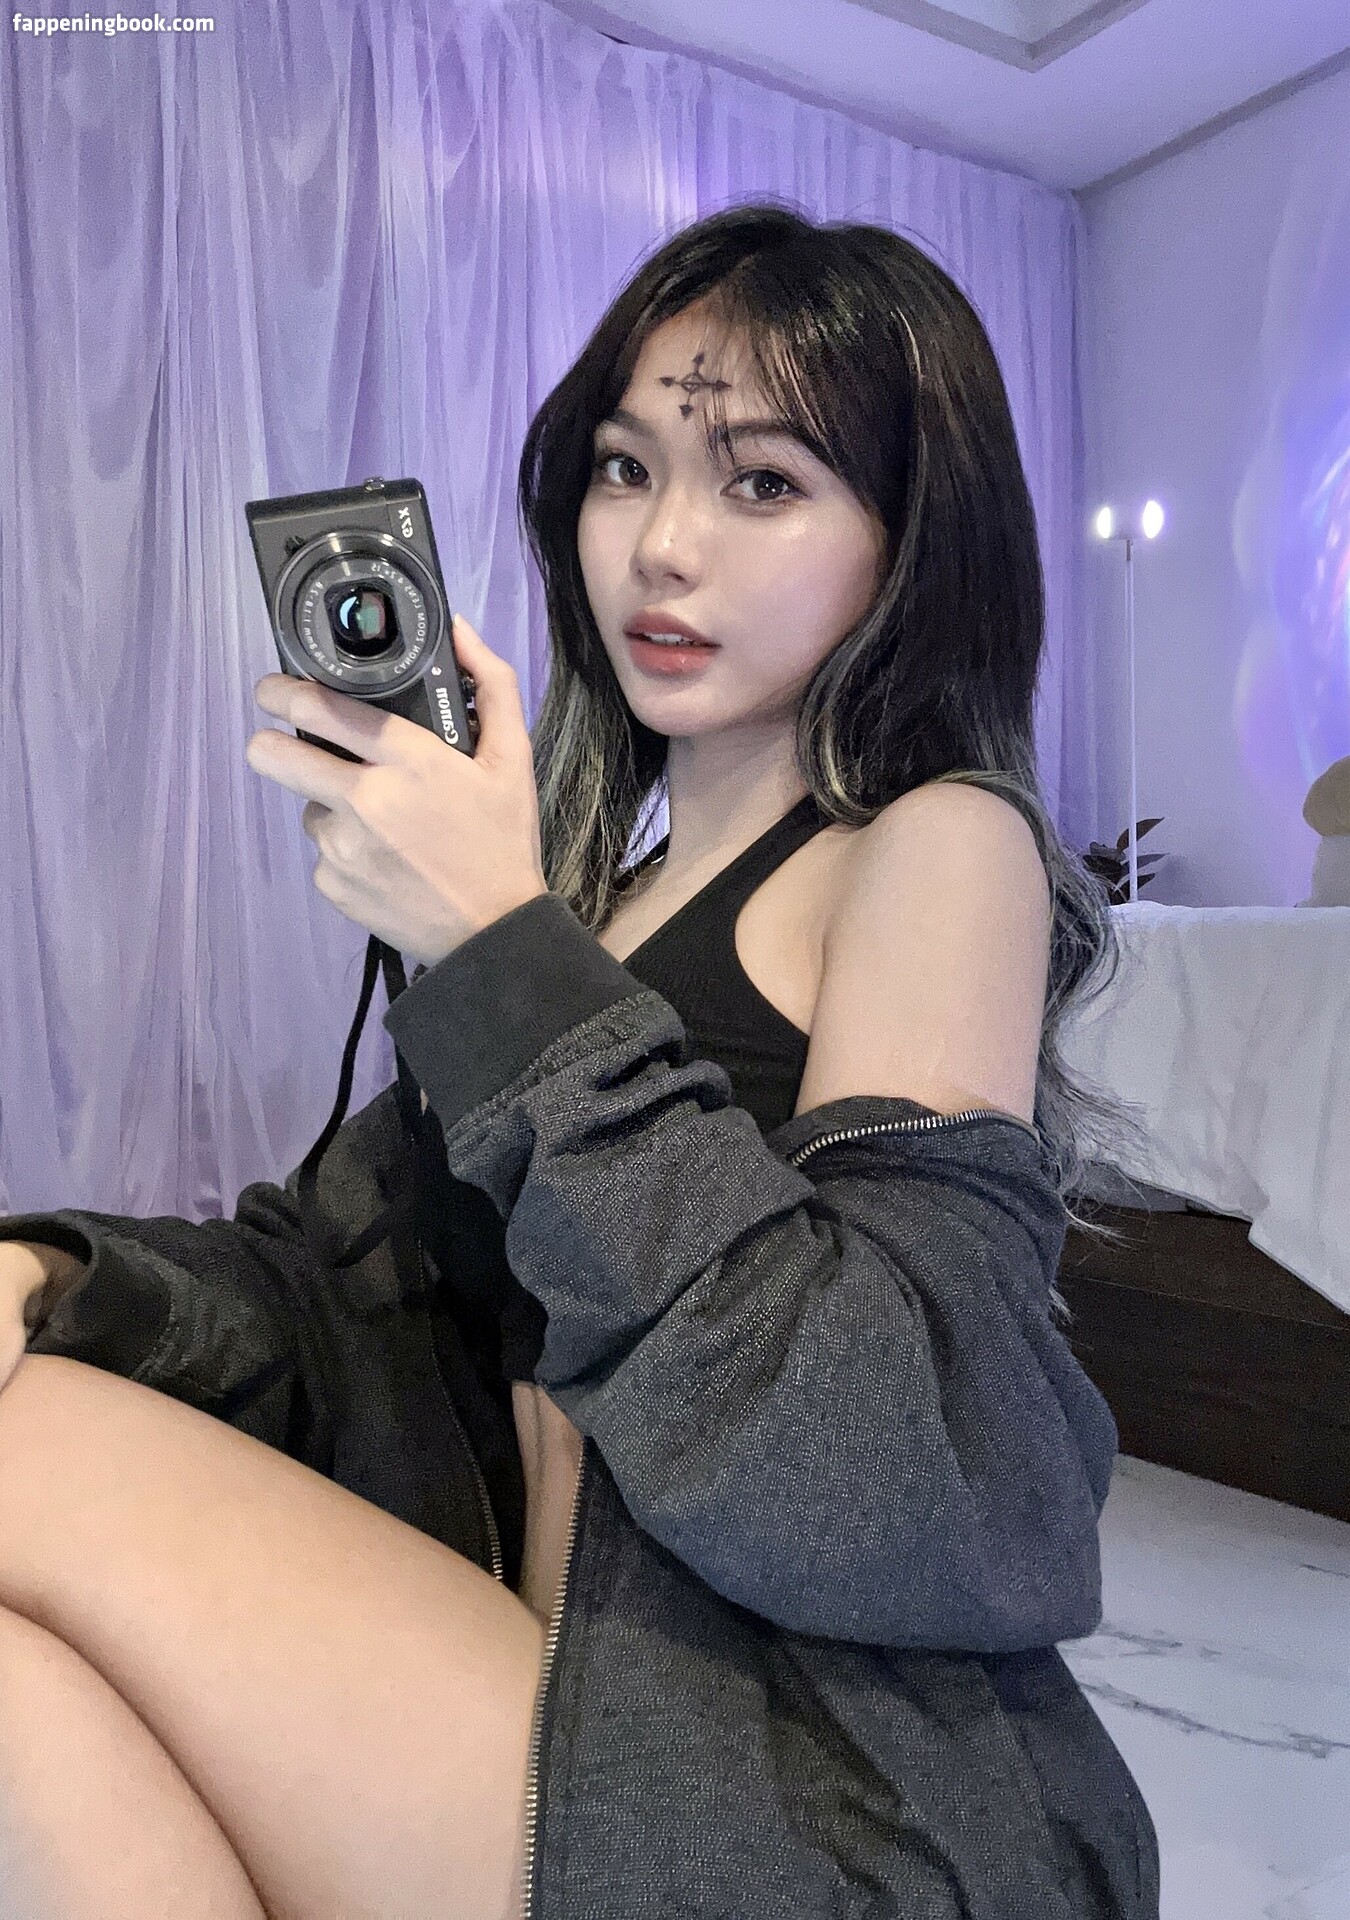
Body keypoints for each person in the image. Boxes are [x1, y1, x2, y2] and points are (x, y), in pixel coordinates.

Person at [0, 202, 1161, 1918]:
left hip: (777, 1777)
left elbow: (902, 1459)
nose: (661, 547)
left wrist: (501, 956)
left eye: (761, 483)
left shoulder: (933, 845)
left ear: (911, 539)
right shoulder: (593, 898)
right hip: (530, 1685)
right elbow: (349, 1284)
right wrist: (52, 1275)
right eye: (624, 469)